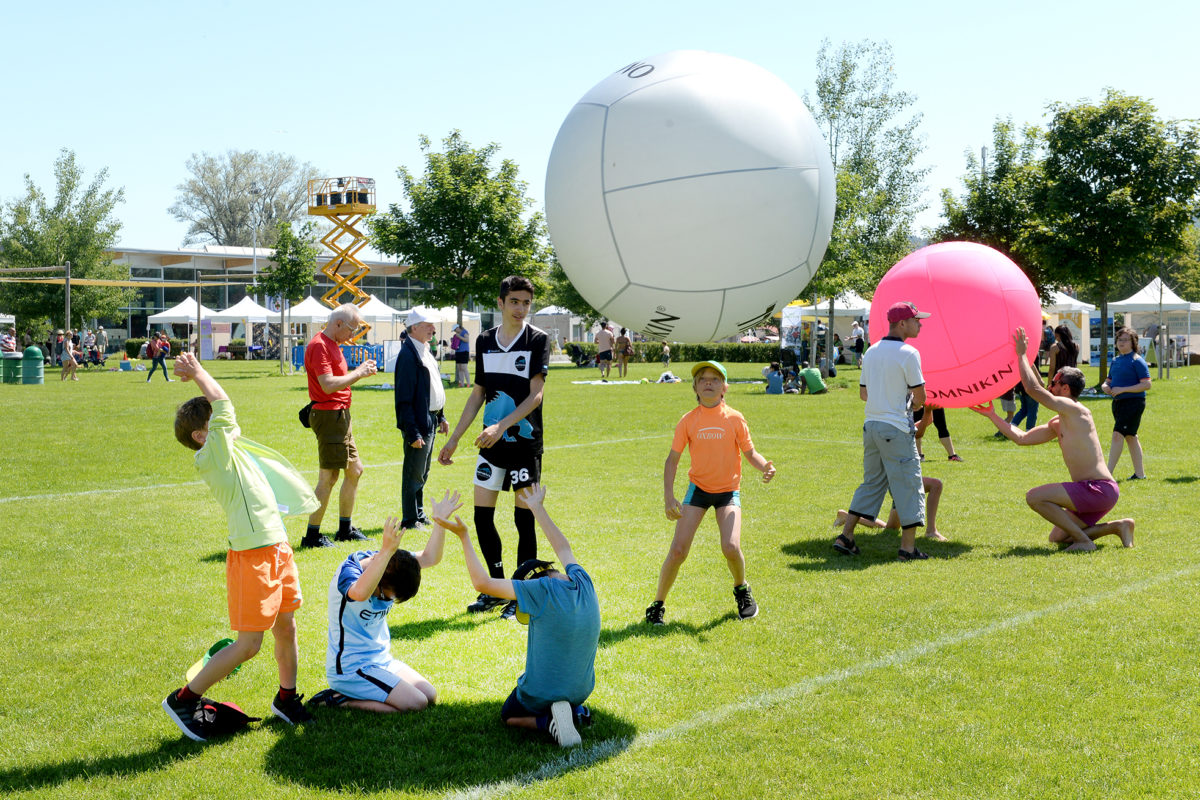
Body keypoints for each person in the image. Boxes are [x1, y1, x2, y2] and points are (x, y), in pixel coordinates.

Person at [163, 353, 321, 741]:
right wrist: (200, 374)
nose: (228, 426)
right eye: (214, 424)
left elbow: (224, 413)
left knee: (287, 625)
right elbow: (224, 406)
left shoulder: (229, 451)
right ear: (203, 435)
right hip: (253, 555)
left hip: (277, 546)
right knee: (250, 643)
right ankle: (184, 698)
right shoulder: (213, 456)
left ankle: (286, 699)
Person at [444, 483, 600, 748]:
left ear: (531, 583)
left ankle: (548, 722)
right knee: (562, 694)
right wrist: (537, 508)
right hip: (581, 691)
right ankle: (574, 712)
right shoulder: (582, 579)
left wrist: (464, 536)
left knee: (509, 715)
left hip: (540, 694)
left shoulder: (539, 589)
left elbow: (482, 583)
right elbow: (563, 547)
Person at [438, 275, 550, 619]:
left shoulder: (537, 339)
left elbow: (536, 395)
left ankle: (521, 595)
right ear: (500, 303)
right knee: (481, 517)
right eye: (514, 301)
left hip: (522, 443)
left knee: (523, 520)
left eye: (526, 303)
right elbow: (477, 394)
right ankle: (497, 588)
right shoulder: (485, 341)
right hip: (490, 444)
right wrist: (455, 438)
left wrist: (502, 425)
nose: (520, 308)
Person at [972, 328, 1134, 550]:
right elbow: (1022, 438)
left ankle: (1084, 542)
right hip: (1094, 492)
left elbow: (1033, 389)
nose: (1050, 386)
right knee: (1058, 537)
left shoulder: (1076, 409)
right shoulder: (1060, 422)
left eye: (1055, 383)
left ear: (1065, 389)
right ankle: (1118, 527)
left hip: (1097, 489)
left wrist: (1021, 355)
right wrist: (992, 415)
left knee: (1035, 497)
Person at [646, 360, 776, 625]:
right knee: (678, 551)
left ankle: (742, 590)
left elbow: (750, 453)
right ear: (694, 387)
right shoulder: (688, 421)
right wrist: (669, 497)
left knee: (730, 546)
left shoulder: (735, 418)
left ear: (724, 387)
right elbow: (672, 460)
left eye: (715, 379)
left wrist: (764, 466)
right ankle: (657, 604)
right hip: (698, 491)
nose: (708, 383)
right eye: (702, 379)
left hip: (728, 491)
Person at [309, 492, 460, 714]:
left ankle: (357, 693)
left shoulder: (394, 563)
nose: (387, 601)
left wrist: (439, 523)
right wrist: (387, 550)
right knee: (414, 703)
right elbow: (359, 593)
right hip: (351, 669)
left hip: (381, 660)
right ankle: (336, 698)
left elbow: (429, 558)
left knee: (429, 695)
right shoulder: (350, 572)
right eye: (387, 596)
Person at [834, 301, 931, 562]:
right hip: (896, 428)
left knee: (872, 482)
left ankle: (846, 536)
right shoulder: (909, 353)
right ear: (902, 324)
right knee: (910, 485)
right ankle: (907, 549)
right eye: (916, 320)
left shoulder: (872, 350)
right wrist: (911, 400)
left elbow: (864, 393)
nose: (920, 324)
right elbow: (921, 397)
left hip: (871, 426)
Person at [302, 304, 378, 548]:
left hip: (340, 416)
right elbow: (327, 384)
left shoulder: (333, 344)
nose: (353, 335)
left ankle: (345, 530)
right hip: (329, 415)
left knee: (354, 470)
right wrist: (359, 373)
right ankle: (312, 536)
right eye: (352, 329)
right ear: (337, 324)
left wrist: (358, 373)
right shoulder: (319, 346)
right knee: (329, 476)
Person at [394, 308, 449, 530]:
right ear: (414, 328)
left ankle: (418, 512)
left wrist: (441, 415)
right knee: (413, 472)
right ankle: (409, 518)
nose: (433, 329)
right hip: (418, 421)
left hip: (430, 419)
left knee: (423, 471)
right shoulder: (408, 355)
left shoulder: (424, 350)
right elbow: (404, 399)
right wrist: (413, 431)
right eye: (428, 326)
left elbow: (433, 387)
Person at [835, 474, 947, 542]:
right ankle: (931, 531)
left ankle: (846, 516)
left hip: (899, 481)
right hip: (899, 482)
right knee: (936, 484)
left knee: (891, 529)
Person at [1102, 327, 1151, 480]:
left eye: (1125, 340)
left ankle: (1107, 474)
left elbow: (1147, 385)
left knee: (1118, 435)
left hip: (1133, 403)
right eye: (1119, 340)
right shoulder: (1116, 360)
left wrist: (1123, 390)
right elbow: (1108, 380)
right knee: (1131, 436)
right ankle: (1140, 474)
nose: (1121, 343)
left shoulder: (1137, 361)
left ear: (1133, 342)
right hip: (1118, 403)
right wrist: (1105, 386)